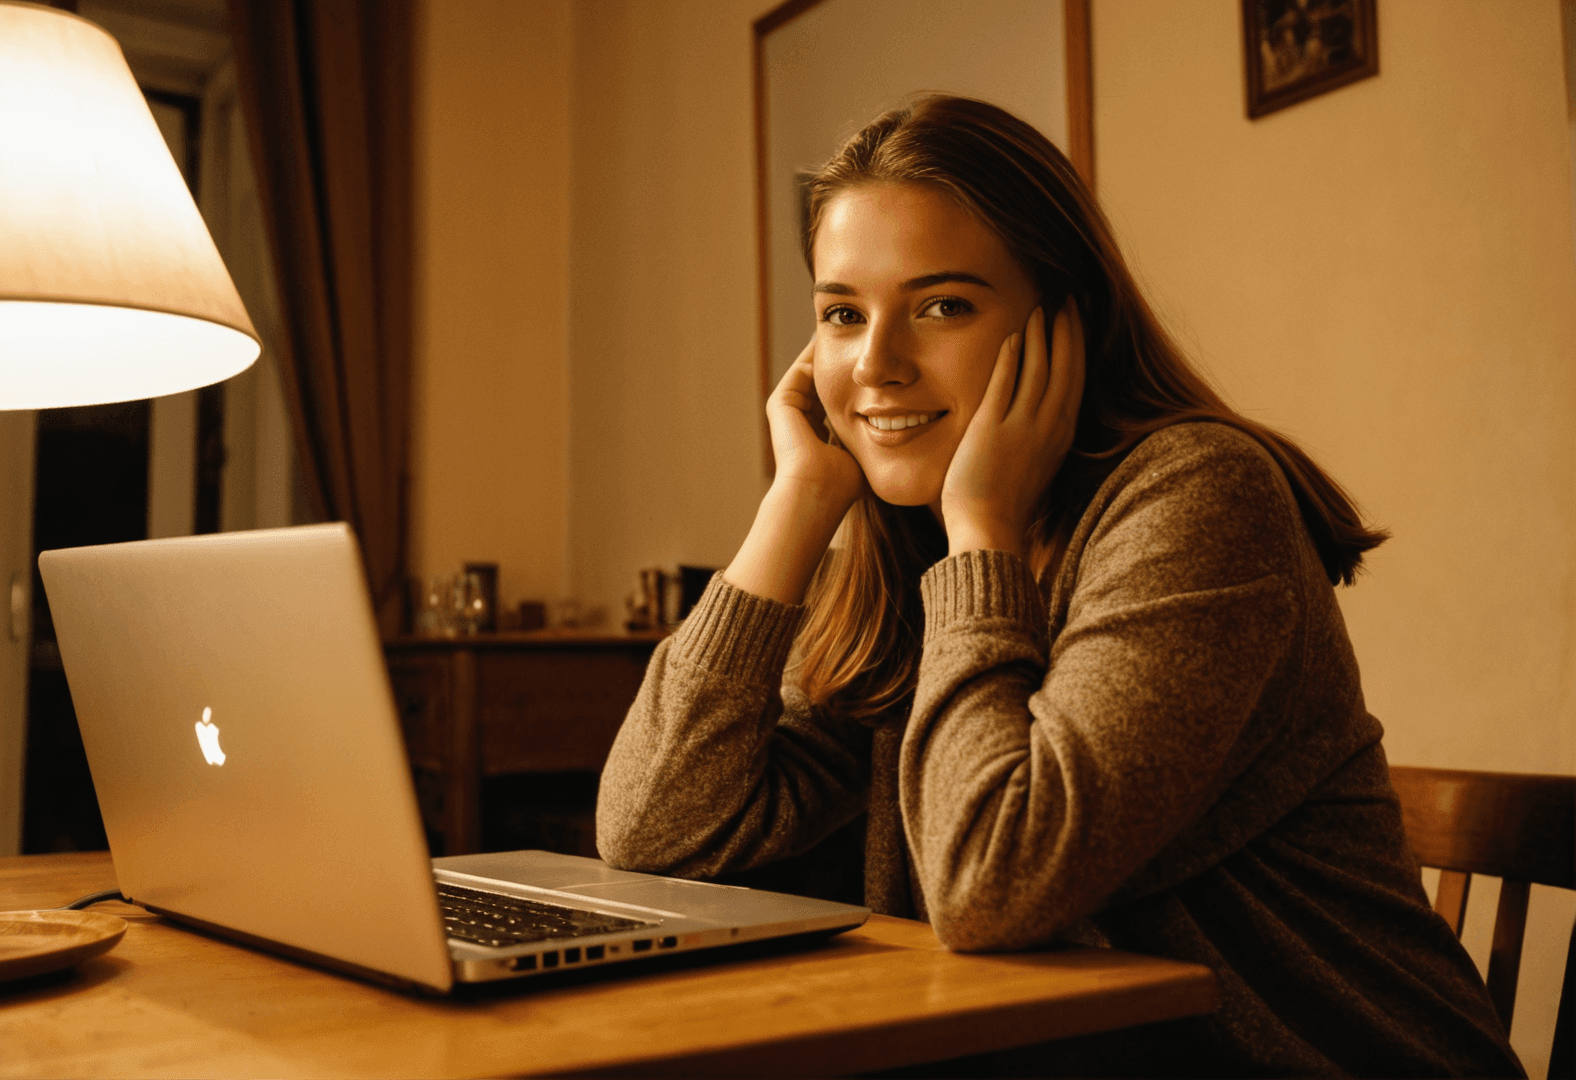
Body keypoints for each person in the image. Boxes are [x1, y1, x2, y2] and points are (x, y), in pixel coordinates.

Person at [595, 95, 1522, 1077]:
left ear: (1063, 324)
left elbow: (992, 882)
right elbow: (654, 831)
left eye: (941, 305)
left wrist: (983, 530)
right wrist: (795, 504)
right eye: (840, 315)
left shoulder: (1198, 498)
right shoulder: (910, 555)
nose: (876, 364)